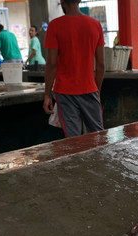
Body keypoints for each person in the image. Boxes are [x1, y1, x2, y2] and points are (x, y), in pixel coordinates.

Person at [43, 0, 105, 138]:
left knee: (73, 139)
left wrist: (47, 95)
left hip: (64, 91)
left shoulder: (55, 25)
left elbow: (52, 64)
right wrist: (97, 90)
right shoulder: (95, 25)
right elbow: (100, 65)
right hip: (90, 88)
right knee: (98, 135)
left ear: (62, 2)